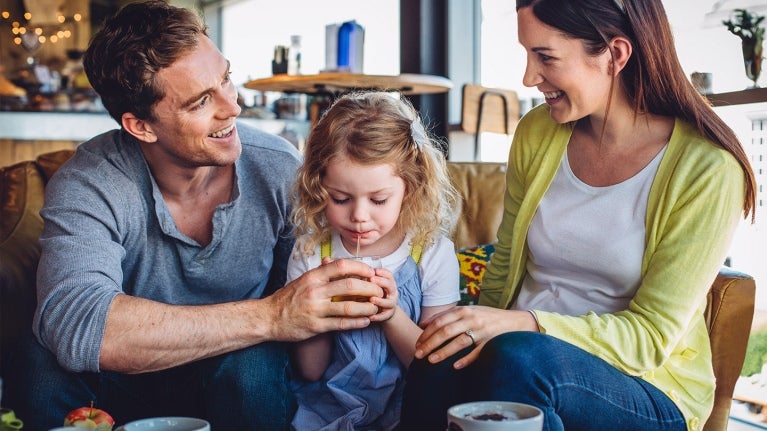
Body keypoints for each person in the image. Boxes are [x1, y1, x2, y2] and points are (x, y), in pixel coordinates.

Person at [4, 2, 386, 430]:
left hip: (236, 377)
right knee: (38, 361)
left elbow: (325, 280)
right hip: (117, 384)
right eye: (201, 101)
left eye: (225, 79)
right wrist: (272, 315)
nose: (232, 108)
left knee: (254, 366)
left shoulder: (277, 168)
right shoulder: (89, 183)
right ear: (141, 126)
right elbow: (80, 324)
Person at [400, 1, 758, 430]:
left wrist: (524, 324)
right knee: (437, 355)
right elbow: (504, 266)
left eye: (545, 56)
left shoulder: (707, 169)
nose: (528, 77)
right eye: (527, 55)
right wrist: (473, 331)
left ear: (615, 55)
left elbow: (648, 340)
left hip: (644, 389)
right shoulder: (538, 132)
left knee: (519, 361)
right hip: (520, 360)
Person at [288, 91, 461, 430]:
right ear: (320, 185)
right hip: (327, 413)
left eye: (379, 200)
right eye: (340, 198)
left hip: (410, 411)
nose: (359, 217)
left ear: (409, 188)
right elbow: (310, 370)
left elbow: (433, 368)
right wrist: (320, 308)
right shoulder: (310, 254)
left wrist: (390, 314)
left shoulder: (432, 253)